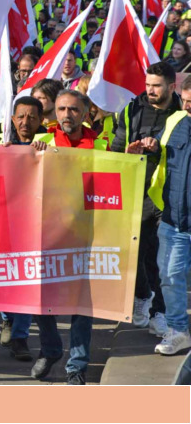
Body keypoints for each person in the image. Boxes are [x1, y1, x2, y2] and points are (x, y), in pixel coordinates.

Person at [29, 90, 108, 385]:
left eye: (73, 109)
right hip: (48, 232)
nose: (66, 115)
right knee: (40, 297)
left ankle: (76, 365)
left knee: (81, 304)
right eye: (61, 109)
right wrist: (30, 155)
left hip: (88, 233)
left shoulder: (102, 145)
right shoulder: (44, 142)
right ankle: (50, 349)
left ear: (85, 112)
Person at [111, 62, 181, 337]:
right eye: (148, 84)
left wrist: (161, 148)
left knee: (162, 259)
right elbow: (116, 149)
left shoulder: (181, 113)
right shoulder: (131, 110)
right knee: (134, 254)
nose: (150, 90)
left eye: (157, 86)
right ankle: (142, 296)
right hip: (135, 193)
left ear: (171, 87)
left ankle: (158, 313)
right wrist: (128, 153)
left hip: (167, 197)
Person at [0, 96, 48, 362]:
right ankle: (6, 318)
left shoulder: (48, 145)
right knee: (5, 276)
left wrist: (45, 153)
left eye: (31, 117)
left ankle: (20, 337)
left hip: (33, 223)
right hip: (3, 221)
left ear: (41, 121)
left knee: (26, 279)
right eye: (21, 116)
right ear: (13, 118)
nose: (25, 122)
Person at [147, 75, 191, 355]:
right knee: (170, 277)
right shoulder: (175, 120)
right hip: (175, 219)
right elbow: (161, 155)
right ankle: (178, 331)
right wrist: (150, 146)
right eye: (185, 101)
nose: (188, 107)